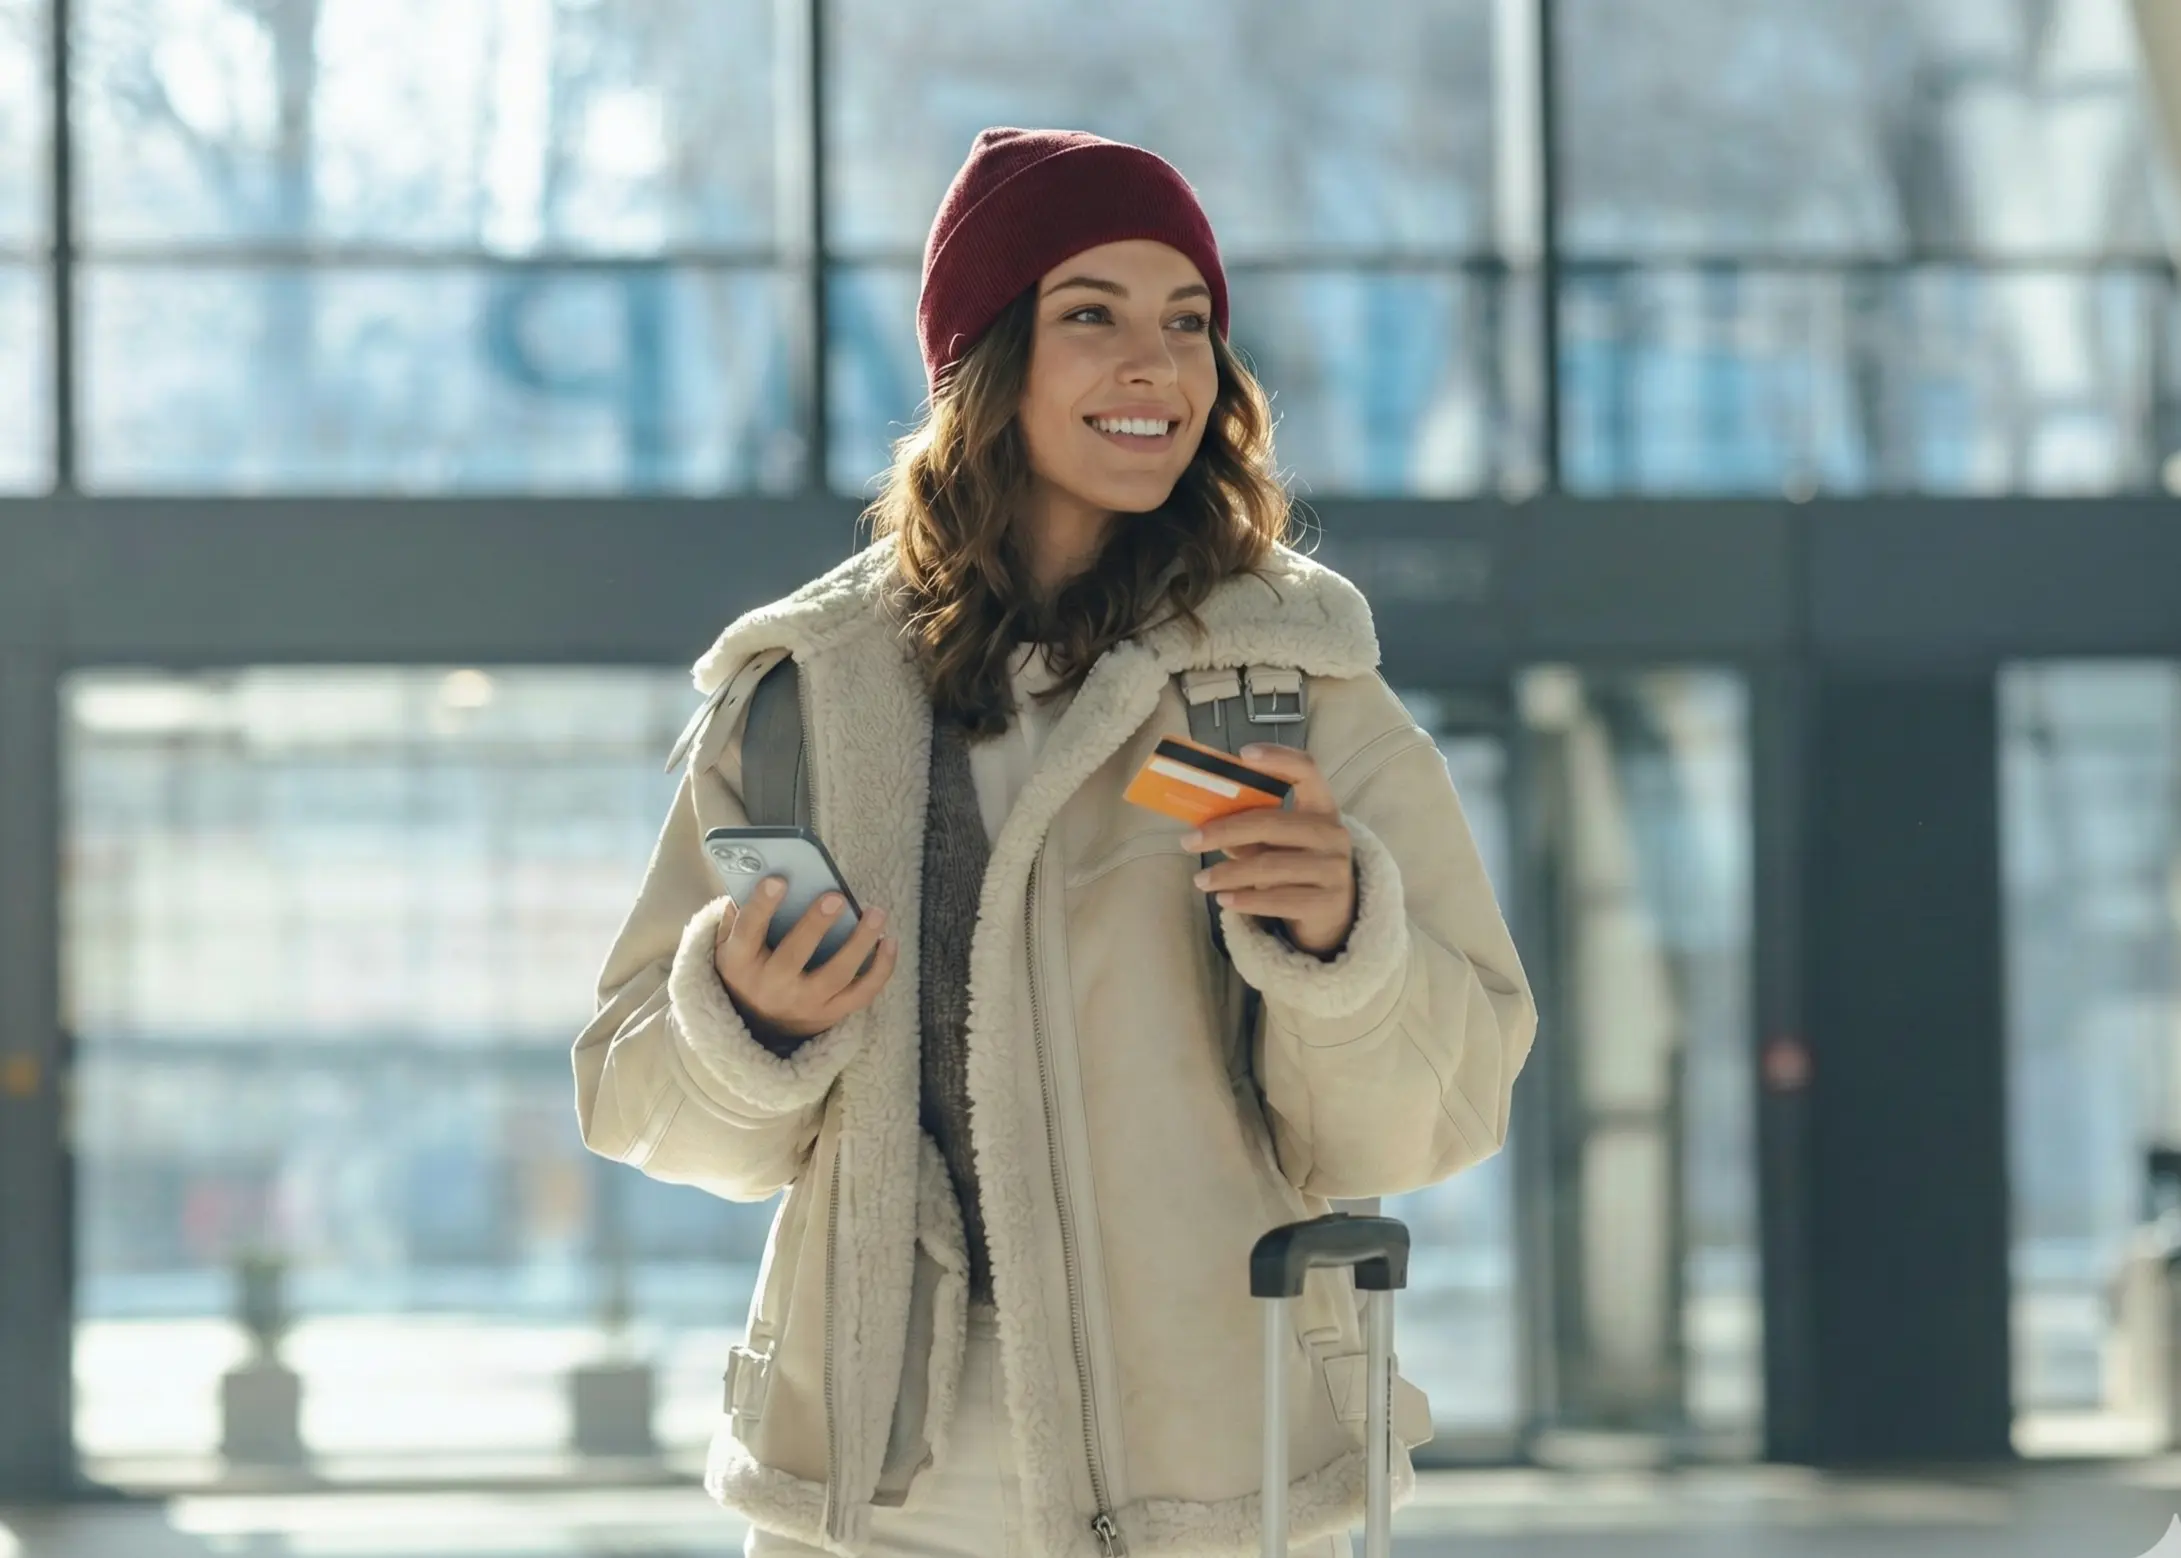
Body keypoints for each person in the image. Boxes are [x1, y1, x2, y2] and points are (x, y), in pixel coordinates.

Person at [573, 126, 1537, 1558]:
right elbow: (638, 1095)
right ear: (989, 358)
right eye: (1093, 315)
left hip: (1212, 1473)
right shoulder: (805, 701)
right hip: (884, 1491)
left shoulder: (1288, 685)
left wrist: (1347, 945)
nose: (1156, 365)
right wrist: (744, 1019)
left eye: (1190, 323)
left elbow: (1430, 1116)